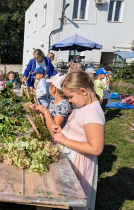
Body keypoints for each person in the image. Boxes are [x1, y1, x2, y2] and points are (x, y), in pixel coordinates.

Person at [51, 71, 105, 210]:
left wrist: (64, 140)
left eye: (70, 97)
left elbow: (96, 148)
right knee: (66, 198)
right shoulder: (83, 106)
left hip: (79, 162)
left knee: (75, 201)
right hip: (72, 156)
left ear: (83, 91)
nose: (69, 100)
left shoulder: (92, 113)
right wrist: (62, 132)